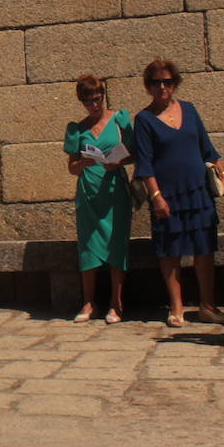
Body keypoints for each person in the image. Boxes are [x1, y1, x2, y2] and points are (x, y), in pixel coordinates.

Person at [133, 59, 224, 328]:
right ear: (148, 86)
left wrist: (220, 166)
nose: (162, 87)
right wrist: (156, 196)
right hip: (167, 193)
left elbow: (206, 146)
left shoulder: (189, 109)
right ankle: (177, 307)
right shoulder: (144, 119)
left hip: (197, 189)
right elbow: (144, 163)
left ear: (175, 83)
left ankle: (207, 305)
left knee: (204, 248)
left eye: (167, 81)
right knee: (169, 250)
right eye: (156, 82)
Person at [62, 75, 133, 324]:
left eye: (98, 98)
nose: (95, 104)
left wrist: (119, 161)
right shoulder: (77, 130)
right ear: (82, 102)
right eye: (89, 101)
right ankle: (88, 301)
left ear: (104, 95)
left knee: (117, 243)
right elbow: (71, 167)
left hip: (115, 191)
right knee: (88, 245)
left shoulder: (119, 120)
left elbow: (134, 151)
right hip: (89, 192)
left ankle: (116, 302)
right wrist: (82, 163)